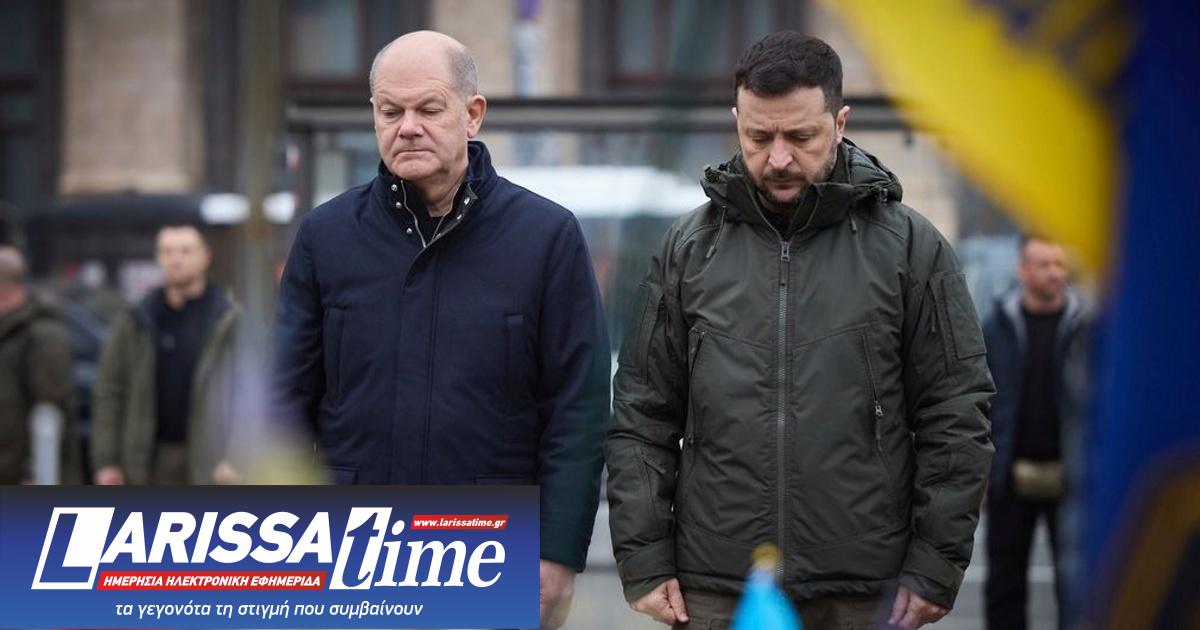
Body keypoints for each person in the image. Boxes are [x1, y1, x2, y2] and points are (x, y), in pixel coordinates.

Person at [607, 32, 995, 630]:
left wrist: (935, 565)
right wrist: (644, 559)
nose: (779, 159)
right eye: (759, 138)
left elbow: (956, 411)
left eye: (801, 137)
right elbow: (642, 413)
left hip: (865, 590)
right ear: (736, 122)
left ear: (840, 123)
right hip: (717, 588)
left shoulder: (910, 248)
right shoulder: (688, 249)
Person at [272, 31, 610, 628]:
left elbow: (577, 409)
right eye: (390, 111)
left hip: (490, 548)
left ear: (472, 114)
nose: (407, 127)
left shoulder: (545, 237)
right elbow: (284, 400)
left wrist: (558, 551)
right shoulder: (326, 237)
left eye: (428, 109)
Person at [983, 236, 1085, 630]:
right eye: (1044, 264)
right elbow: (980, 399)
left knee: (1075, 588)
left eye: (1059, 264)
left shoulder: (1087, 329)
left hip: (1072, 479)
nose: (1054, 273)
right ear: (1022, 270)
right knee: (1004, 589)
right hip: (1011, 476)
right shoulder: (997, 327)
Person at [92, 224, 241, 485]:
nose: (176, 259)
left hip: (212, 461)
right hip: (149, 459)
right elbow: (110, 391)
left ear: (206, 256)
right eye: (167, 251)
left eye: (185, 251)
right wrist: (107, 460)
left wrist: (239, 456)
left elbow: (250, 395)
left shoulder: (228, 319)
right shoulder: (136, 320)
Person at [0, 246, 81, 484]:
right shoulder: (9, 329)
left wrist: (33, 471)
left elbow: (50, 410)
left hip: (29, 476)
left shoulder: (42, 334)